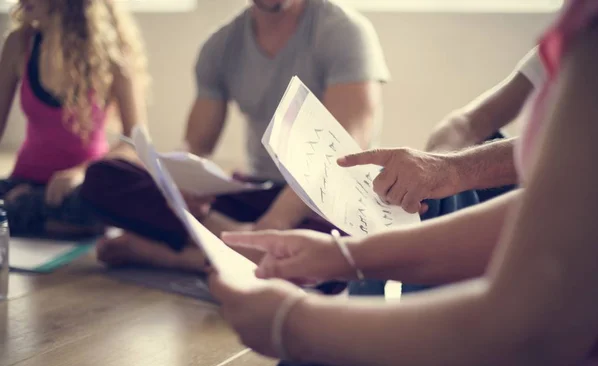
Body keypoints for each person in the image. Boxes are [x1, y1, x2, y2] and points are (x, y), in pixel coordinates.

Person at [209, 0, 598, 366]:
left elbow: (535, 336)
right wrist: (346, 257)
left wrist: (295, 324)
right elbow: (541, 214)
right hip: (269, 190)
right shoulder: (581, 29)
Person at [80, 0, 389, 271]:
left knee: (342, 253)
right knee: (103, 177)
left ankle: (177, 256)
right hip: (258, 191)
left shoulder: (344, 32)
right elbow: (196, 144)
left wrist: (271, 226)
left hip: (328, 201)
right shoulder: (220, 46)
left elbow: (340, 155)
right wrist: (182, 184)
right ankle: (250, 254)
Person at [0, 0, 147, 237]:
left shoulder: (113, 53)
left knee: (101, 206)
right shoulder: (18, 43)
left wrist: (81, 172)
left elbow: (136, 143)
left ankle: (20, 212)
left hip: (81, 190)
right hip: (24, 182)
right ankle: (26, 212)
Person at [339, 47, 544, 214]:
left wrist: (452, 169)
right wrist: (435, 164)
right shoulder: (562, 47)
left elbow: (566, 153)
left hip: (550, 207)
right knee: (427, 193)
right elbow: (467, 122)